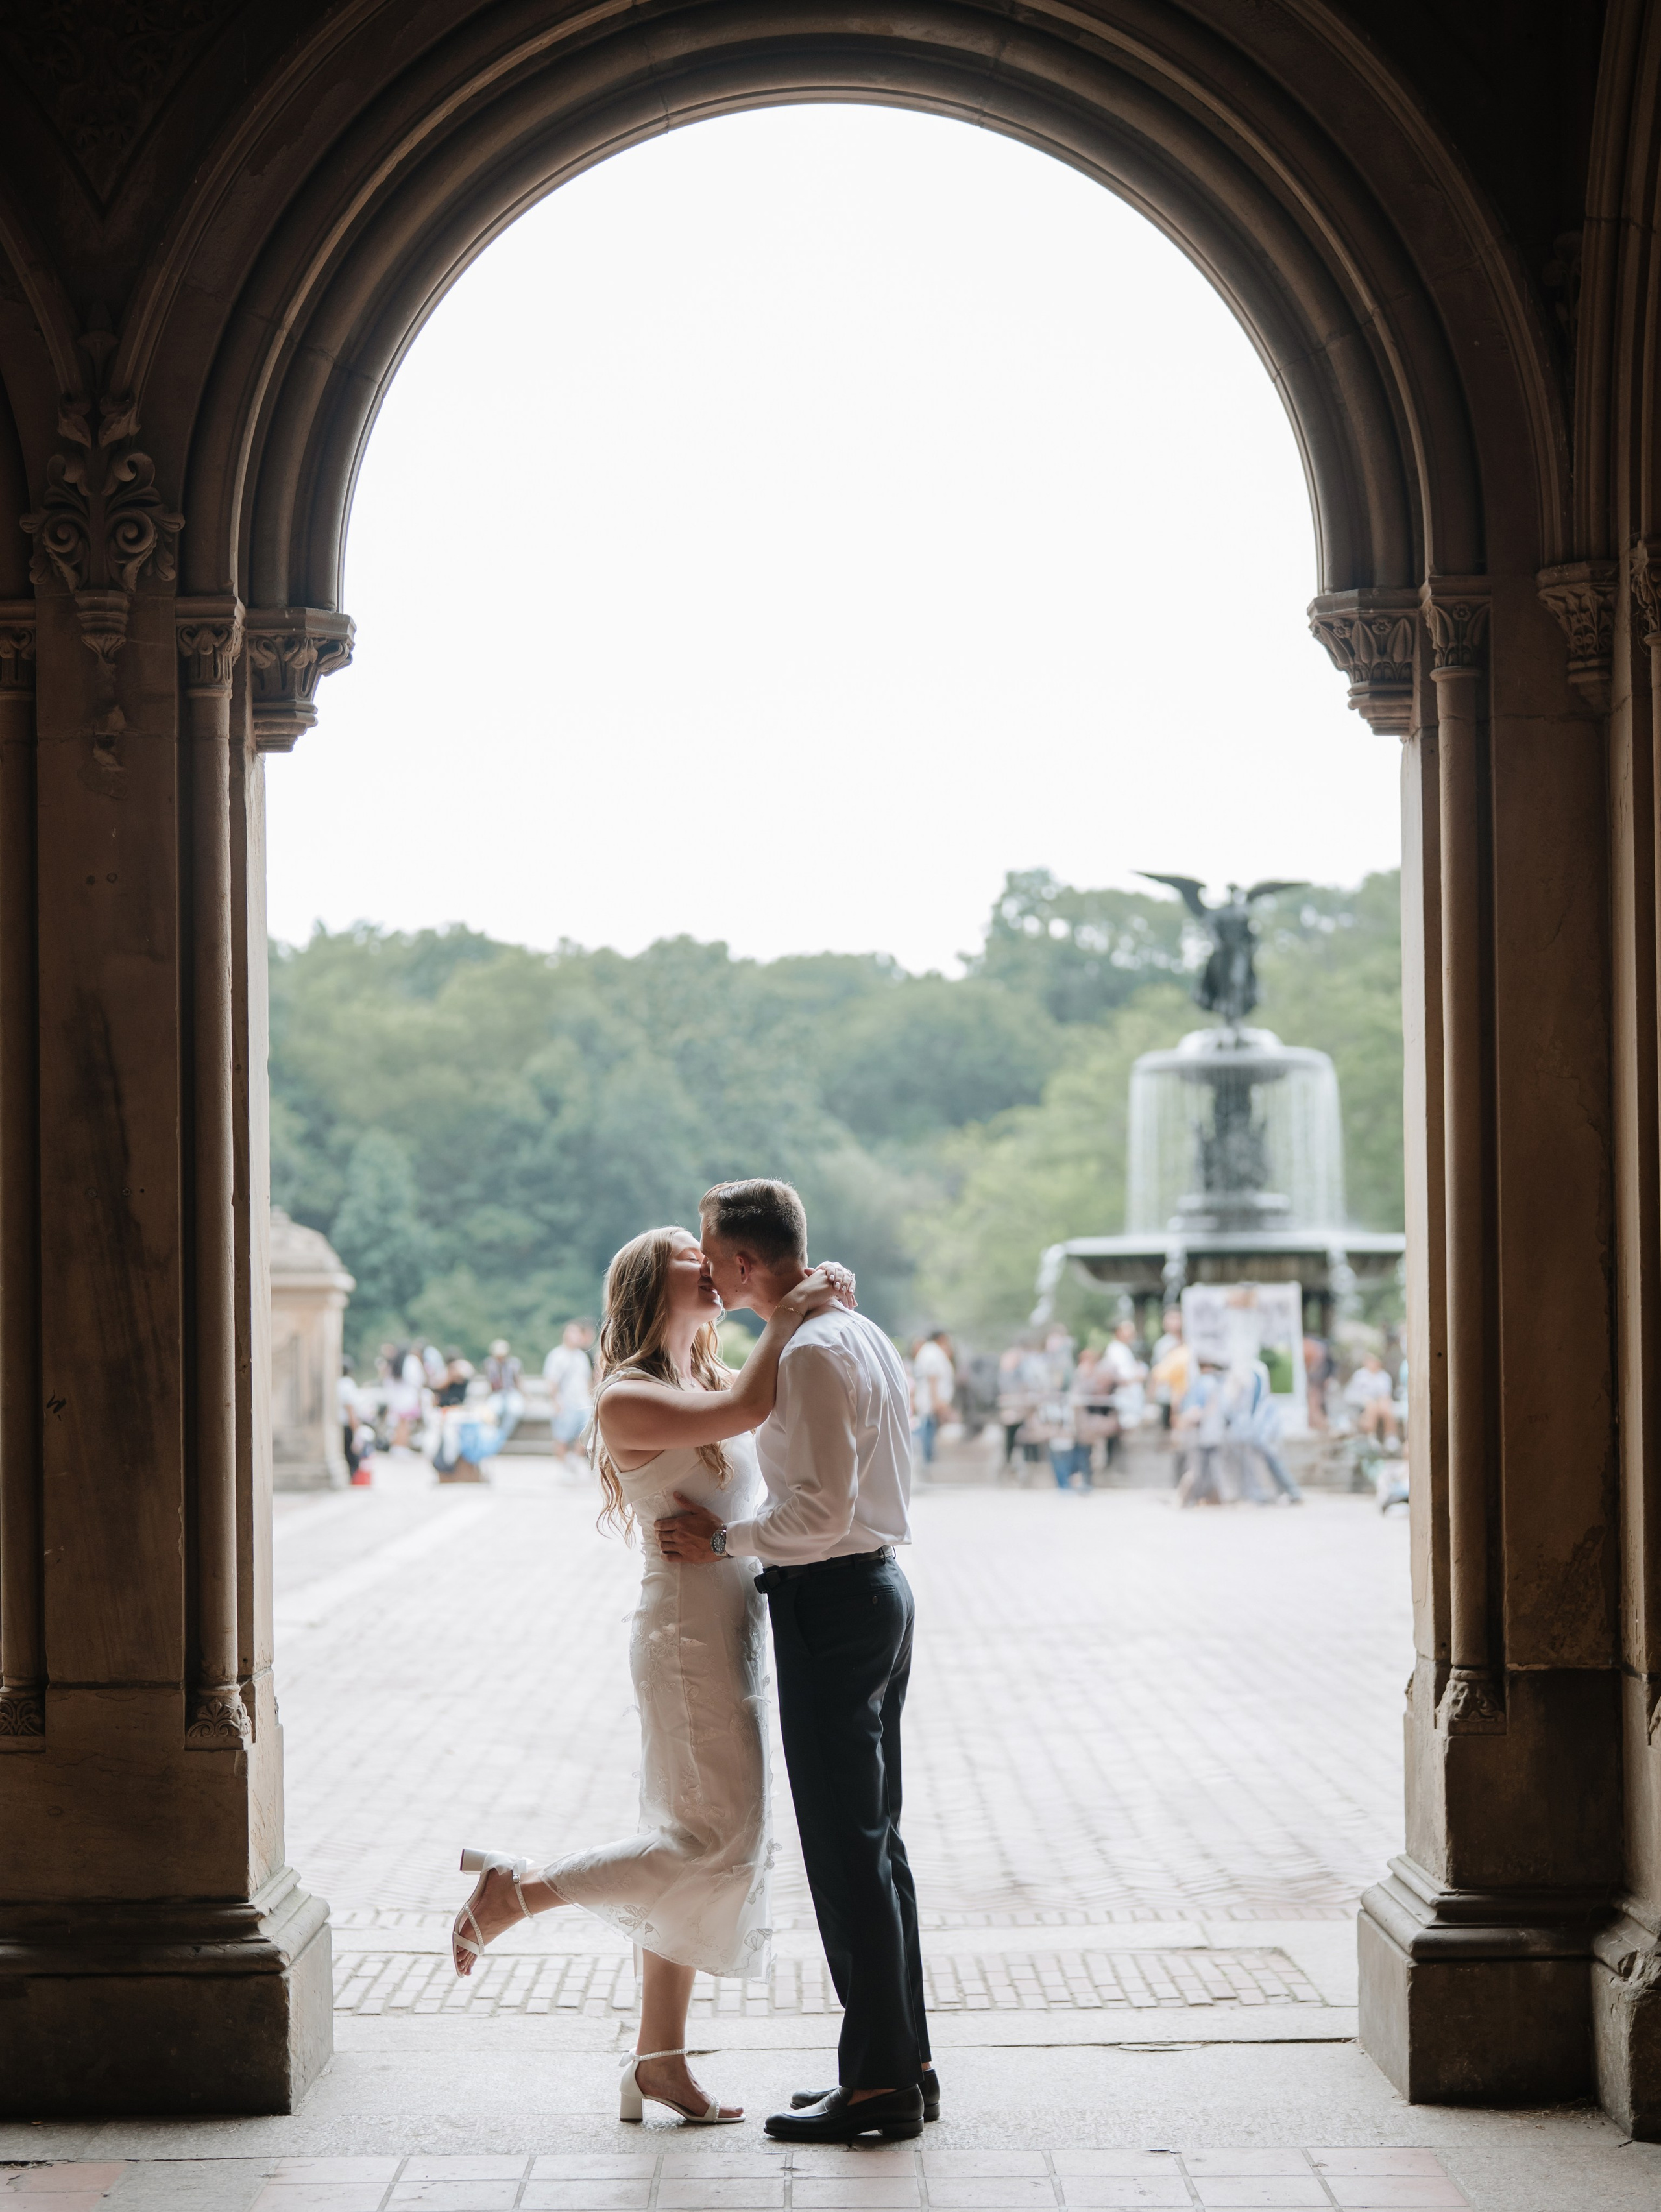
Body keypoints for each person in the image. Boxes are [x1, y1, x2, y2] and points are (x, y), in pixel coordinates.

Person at [448, 1225, 850, 2127]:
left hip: (729, 1624)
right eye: (686, 1248)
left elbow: (776, 1399)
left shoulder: (704, 1376)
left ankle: (658, 2060)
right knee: (713, 1841)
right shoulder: (627, 1397)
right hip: (682, 1636)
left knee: (692, 1835)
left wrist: (815, 1305)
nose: (708, 1259)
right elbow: (754, 1404)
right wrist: (790, 1307)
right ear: (645, 1280)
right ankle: (520, 1890)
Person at [662, 1179, 932, 2146]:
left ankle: (877, 2086)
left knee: (847, 1848)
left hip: (834, 1600)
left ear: (742, 1261)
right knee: (877, 1843)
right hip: (874, 1591)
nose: (702, 1264)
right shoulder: (852, 1328)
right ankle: (902, 2062)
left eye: (708, 1249)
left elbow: (813, 1514)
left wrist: (724, 1542)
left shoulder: (817, 1346)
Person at [542, 1319, 596, 1461]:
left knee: (584, 1435)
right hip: (565, 1402)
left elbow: (587, 1381)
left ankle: (575, 1461)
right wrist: (555, 1401)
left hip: (582, 1401)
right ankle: (562, 1464)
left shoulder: (581, 1356)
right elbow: (551, 1381)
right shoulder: (557, 1356)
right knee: (562, 1436)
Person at [910, 1330, 954, 1467]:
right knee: (926, 1431)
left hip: (930, 1400)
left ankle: (926, 1462)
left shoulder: (930, 1352)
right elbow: (933, 1378)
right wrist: (937, 1402)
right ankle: (926, 1463)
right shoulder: (932, 1353)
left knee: (929, 1430)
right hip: (930, 1401)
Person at [1344, 1350, 1400, 1443]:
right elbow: (1353, 1393)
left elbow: (1385, 1395)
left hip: (1379, 1403)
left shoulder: (1383, 1376)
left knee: (1385, 1407)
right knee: (1372, 1406)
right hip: (1362, 1403)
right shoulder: (1360, 1375)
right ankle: (1371, 1436)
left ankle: (1390, 1437)